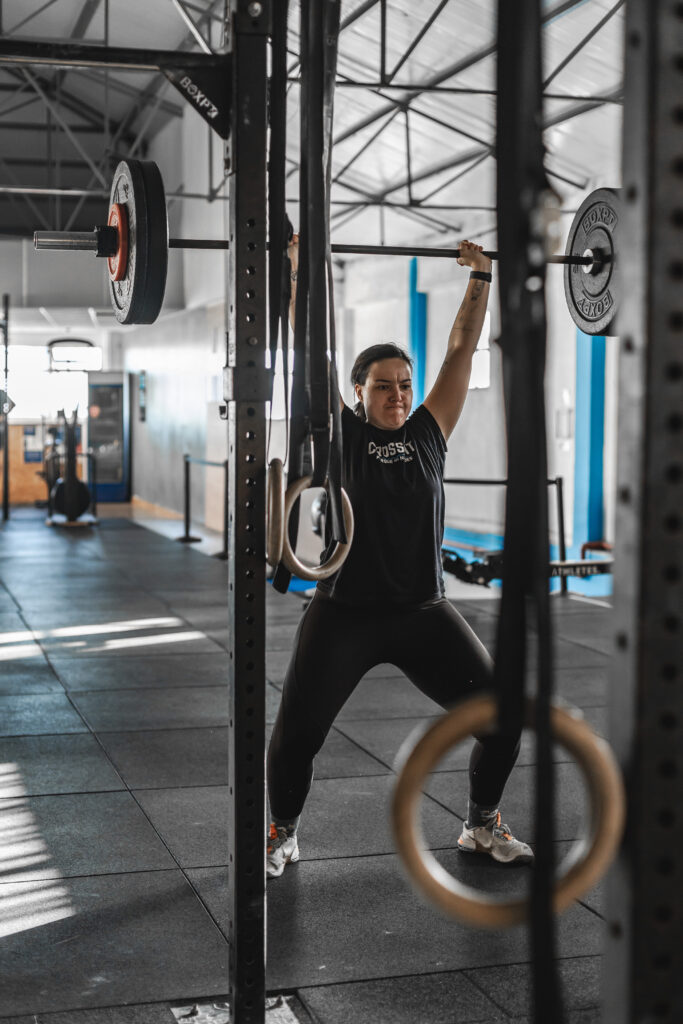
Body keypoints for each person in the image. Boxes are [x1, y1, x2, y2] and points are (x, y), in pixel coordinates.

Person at [266, 238, 532, 878]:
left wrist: (482, 278)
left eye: (404, 385)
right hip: (345, 613)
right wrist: (297, 273)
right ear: (357, 392)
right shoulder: (340, 434)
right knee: (297, 736)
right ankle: (281, 833)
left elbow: (461, 351)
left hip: (422, 611)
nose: (397, 395)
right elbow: (310, 352)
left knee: (502, 718)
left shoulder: (428, 435)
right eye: (382, 386)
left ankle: (480, 824)